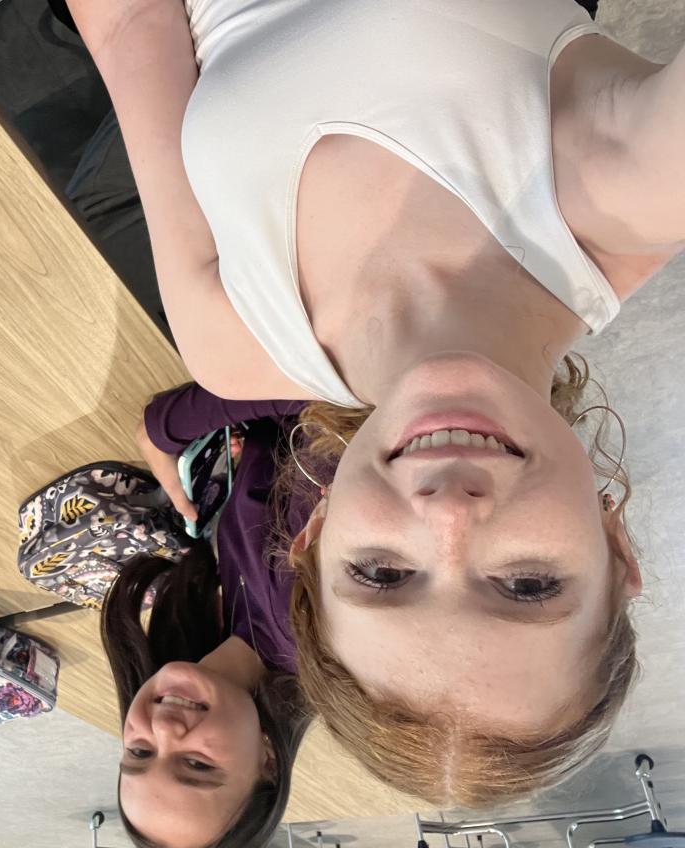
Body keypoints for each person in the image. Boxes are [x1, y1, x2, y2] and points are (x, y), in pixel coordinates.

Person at [68, 0, 678, 803]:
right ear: (617, 550)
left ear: (315, 537)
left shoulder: (230, 346)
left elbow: (131, 29)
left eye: (384, 574)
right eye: (529, 586)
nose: (449, 515)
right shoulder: (623, 191)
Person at [102, 383, 310, 848]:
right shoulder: (299, 613)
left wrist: (261, 452)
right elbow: (336, 397)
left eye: (140, 753)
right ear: (268, 761)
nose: (163, 730)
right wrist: (163, 427)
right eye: (196, 765)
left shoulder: (239, 640)